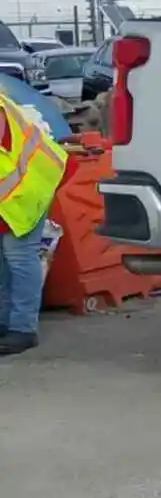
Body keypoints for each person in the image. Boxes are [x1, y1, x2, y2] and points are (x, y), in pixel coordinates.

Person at [0, 80, 71, 356]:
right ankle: (6, 322)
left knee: (18, 257)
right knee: (5, 260)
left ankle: (23, 329)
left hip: (26, 190)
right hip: (15, 190)